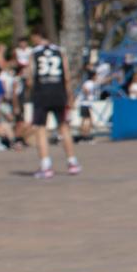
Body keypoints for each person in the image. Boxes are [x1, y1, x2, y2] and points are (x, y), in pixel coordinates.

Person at [23, 30, 80, 179]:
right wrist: (70, 96)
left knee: (41, 129)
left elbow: (30, 78)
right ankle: (72, 162)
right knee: (64, 127)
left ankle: (46, 165)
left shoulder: (34, 53)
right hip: (59, 93)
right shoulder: (60, 51)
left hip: (42, 94)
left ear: (38, 37)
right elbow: (66, 76)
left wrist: (29, 89)